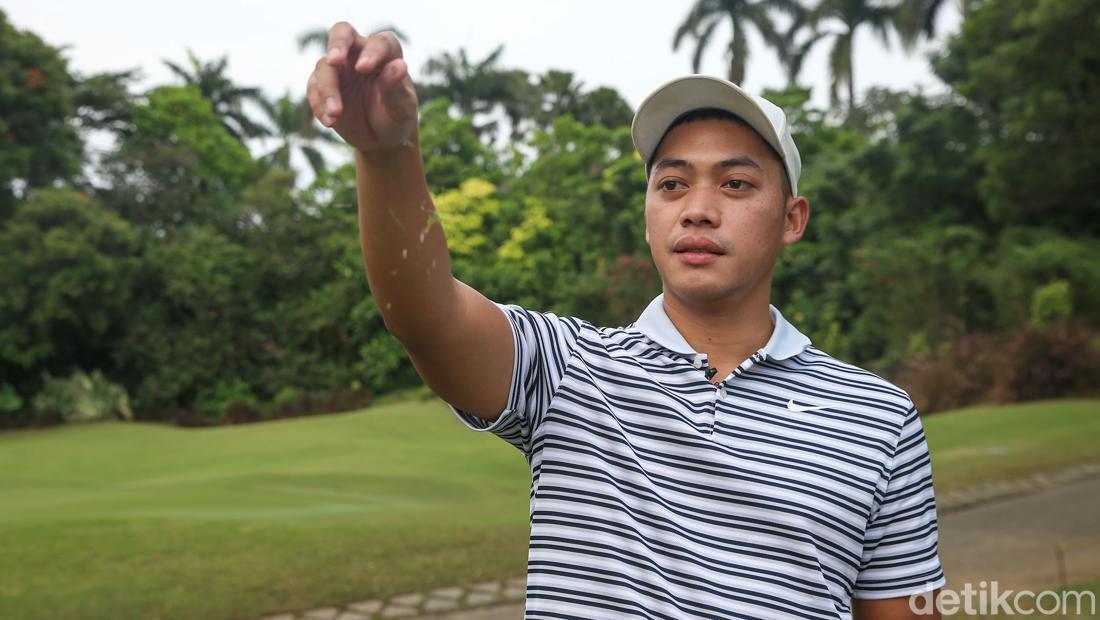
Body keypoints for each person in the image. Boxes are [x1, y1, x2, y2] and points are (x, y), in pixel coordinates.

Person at [307, 23, 946, 620]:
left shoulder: (879, 419)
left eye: (736, 185)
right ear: (647, 213)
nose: (697, 210)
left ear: (792, 219)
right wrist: (390, 154)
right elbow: (427, 316)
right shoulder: (568, 370)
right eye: (671, 185)